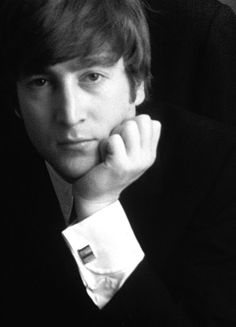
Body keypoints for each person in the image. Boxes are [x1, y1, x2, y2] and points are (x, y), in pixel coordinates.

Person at [1, 0, 236, 325]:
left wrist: (98, 211)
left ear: (137, 84)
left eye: (92, 77)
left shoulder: (221, 168)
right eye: (41, 82)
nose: (70, 115)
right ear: (15, 101)